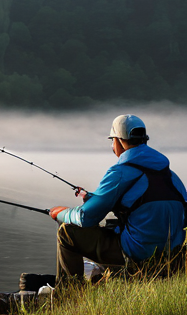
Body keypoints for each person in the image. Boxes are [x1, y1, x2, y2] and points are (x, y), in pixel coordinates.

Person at [50, 114, 187, 282]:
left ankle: (69, 291)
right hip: (171, 256)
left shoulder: (120, 172)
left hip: (138, 254)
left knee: (66, 232)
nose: (112, 146)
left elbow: (85, 217)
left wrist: (61, 213)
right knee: (113, 225)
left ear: (120, 141)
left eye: (112, 140)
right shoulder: (171, 176)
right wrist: (93, 198)